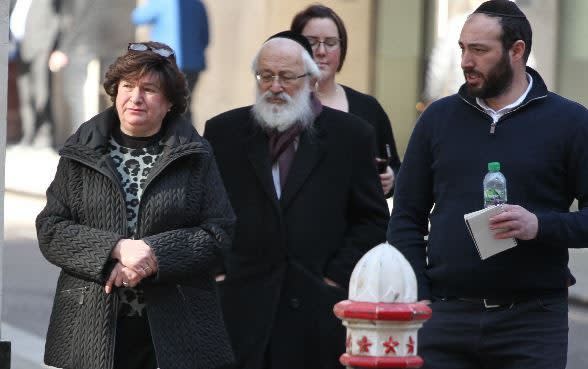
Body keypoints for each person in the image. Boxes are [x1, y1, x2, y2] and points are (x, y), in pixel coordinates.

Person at [387, 1, 588, 369]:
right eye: (463, 48)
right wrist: (419, 295)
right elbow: (405, 217)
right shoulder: (437, 119)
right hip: (444, 320)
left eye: (479, 50)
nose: (465, 60)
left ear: (517, 51)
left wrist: (539, 225)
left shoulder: (571, 122)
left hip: (532, 324)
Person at [36, 41, 235, 369]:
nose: (136, 97)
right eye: (127, 86)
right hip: (92, 324)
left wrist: (152, 255)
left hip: (177, 328)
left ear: (170, 102)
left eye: (150, 89)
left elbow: (219, 233)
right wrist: (116, 249)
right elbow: (51, 229)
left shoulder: (196, 154)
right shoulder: (81, 150)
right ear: (115, 92)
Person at [204, 31, 389, 369]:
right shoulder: (223, 132)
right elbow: (202, 209)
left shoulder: (352, 135)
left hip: (316, 309)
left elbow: (372, 219)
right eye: (266, 76)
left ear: (311, 81)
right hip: (240, 306)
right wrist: (219, 270)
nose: (275, 87)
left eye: (287, 77)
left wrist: (334, 277)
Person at [290, 4, 401, 197]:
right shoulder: (283, 107)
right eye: (312, 42)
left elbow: (395, 167)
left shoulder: (368, 108)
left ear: (342, 49)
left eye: (331, 42)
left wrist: (391, 178)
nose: (321, 51)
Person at [132, 0, 209, 121]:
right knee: (184, 105)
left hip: (166, 63)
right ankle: (187, 138)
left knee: (163, 105)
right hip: (193, 64)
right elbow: (205, 38)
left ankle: (169, 137)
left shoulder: (161, 2)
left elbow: (137, 17)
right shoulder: (197, 4)